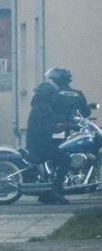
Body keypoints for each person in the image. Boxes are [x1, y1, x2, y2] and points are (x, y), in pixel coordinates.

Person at [27, 67, 92, 204]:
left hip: (46, 137)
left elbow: (53, 117)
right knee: (65, 159)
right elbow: (84, 113)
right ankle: (55, 190)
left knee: (59, 157)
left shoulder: (45, 103)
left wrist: (65, 123)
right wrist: (71, 124)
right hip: (49, 139)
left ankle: (50, 191)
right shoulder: (75, 95)